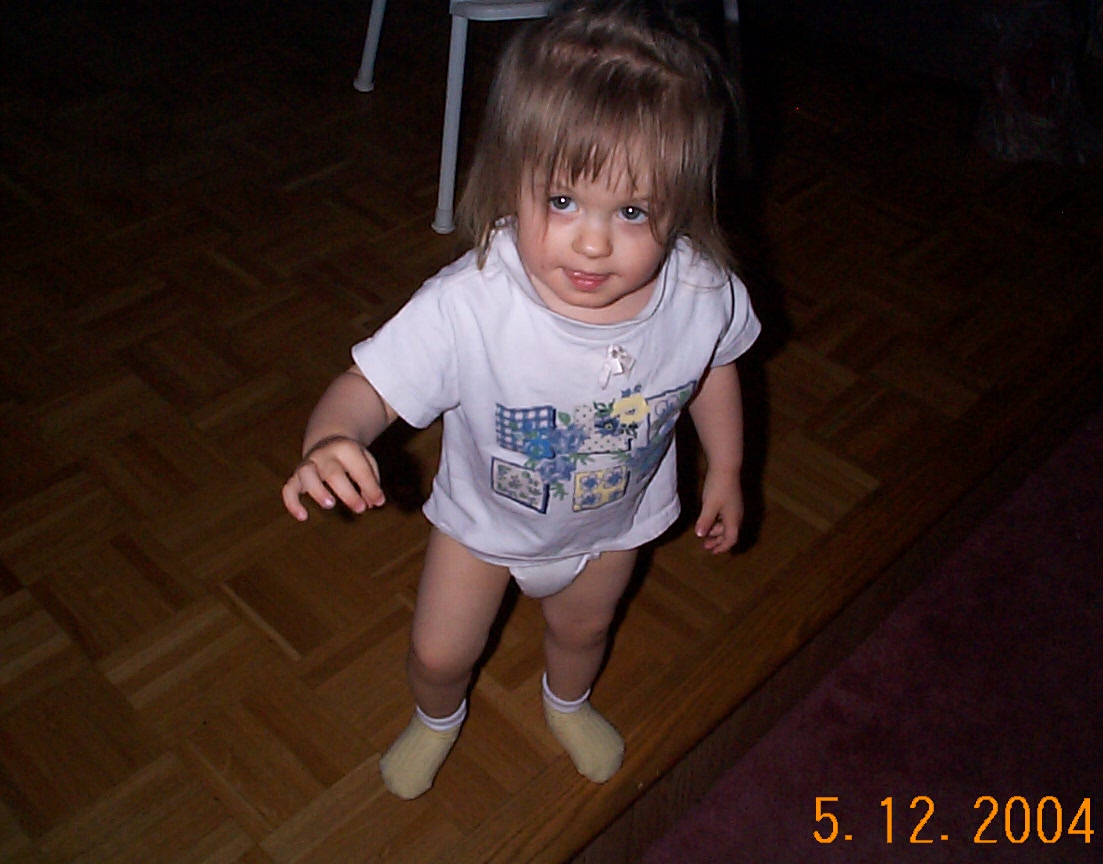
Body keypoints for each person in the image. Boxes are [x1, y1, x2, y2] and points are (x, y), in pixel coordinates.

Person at [281, 0, 761, 800]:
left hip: (614, 525)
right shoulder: (470, 304)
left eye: (632, 211)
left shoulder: (701, 292)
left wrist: (728, 467)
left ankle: (565, 700)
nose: (593, 242)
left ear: (682, 204)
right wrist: (332, 438)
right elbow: (368, 387)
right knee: (439, 653)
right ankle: (437, 717)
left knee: (586, 629)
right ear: (512, 181)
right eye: (563, 201)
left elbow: (713, 365)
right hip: (483, 531)